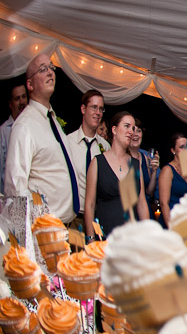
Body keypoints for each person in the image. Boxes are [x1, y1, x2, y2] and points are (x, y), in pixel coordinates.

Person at [4, 54, 79, 222]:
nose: (50, 72)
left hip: (66, 226)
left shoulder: (53, 120)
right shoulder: (25, 126)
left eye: (52, 68)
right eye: (43, 69)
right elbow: (15, 189)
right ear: (29, 84)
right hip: (44, 231)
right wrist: (37, 229)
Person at [84, 111, 150, 238]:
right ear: (114, 130)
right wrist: (91, 240)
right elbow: (90, 205)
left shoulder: (136, 165)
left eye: (133, 128)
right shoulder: (97, 162)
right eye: (126, 126)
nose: (131, 131)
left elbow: (142, 204)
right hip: (105, 238)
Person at [65, 90, 110, 217]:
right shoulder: (68, 142)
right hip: (74, 216)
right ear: (83, 109)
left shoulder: (105, 147)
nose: (98, 113)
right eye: (94, 107)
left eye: (101, 109)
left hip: (98, 216)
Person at [158, 133, 187, 226]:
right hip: (171, 219)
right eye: (181, 147)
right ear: (173, 150)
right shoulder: (167, 170)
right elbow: (164, 203)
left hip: (186, 220)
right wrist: (171, 226)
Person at [0, 83, 28, 194]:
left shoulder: (33, 125)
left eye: (24, 97)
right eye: (17, 99)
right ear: (10, 104)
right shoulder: (3, 131)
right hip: (11, 197)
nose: (22, 102)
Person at [128, 119, 159, 216]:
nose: (136, 134)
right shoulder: (123, 157)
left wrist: (154, 171)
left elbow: (149, 192)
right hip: (128, 209)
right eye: (133, 131)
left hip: (144, 208)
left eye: (139, 131)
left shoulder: (145, 157)